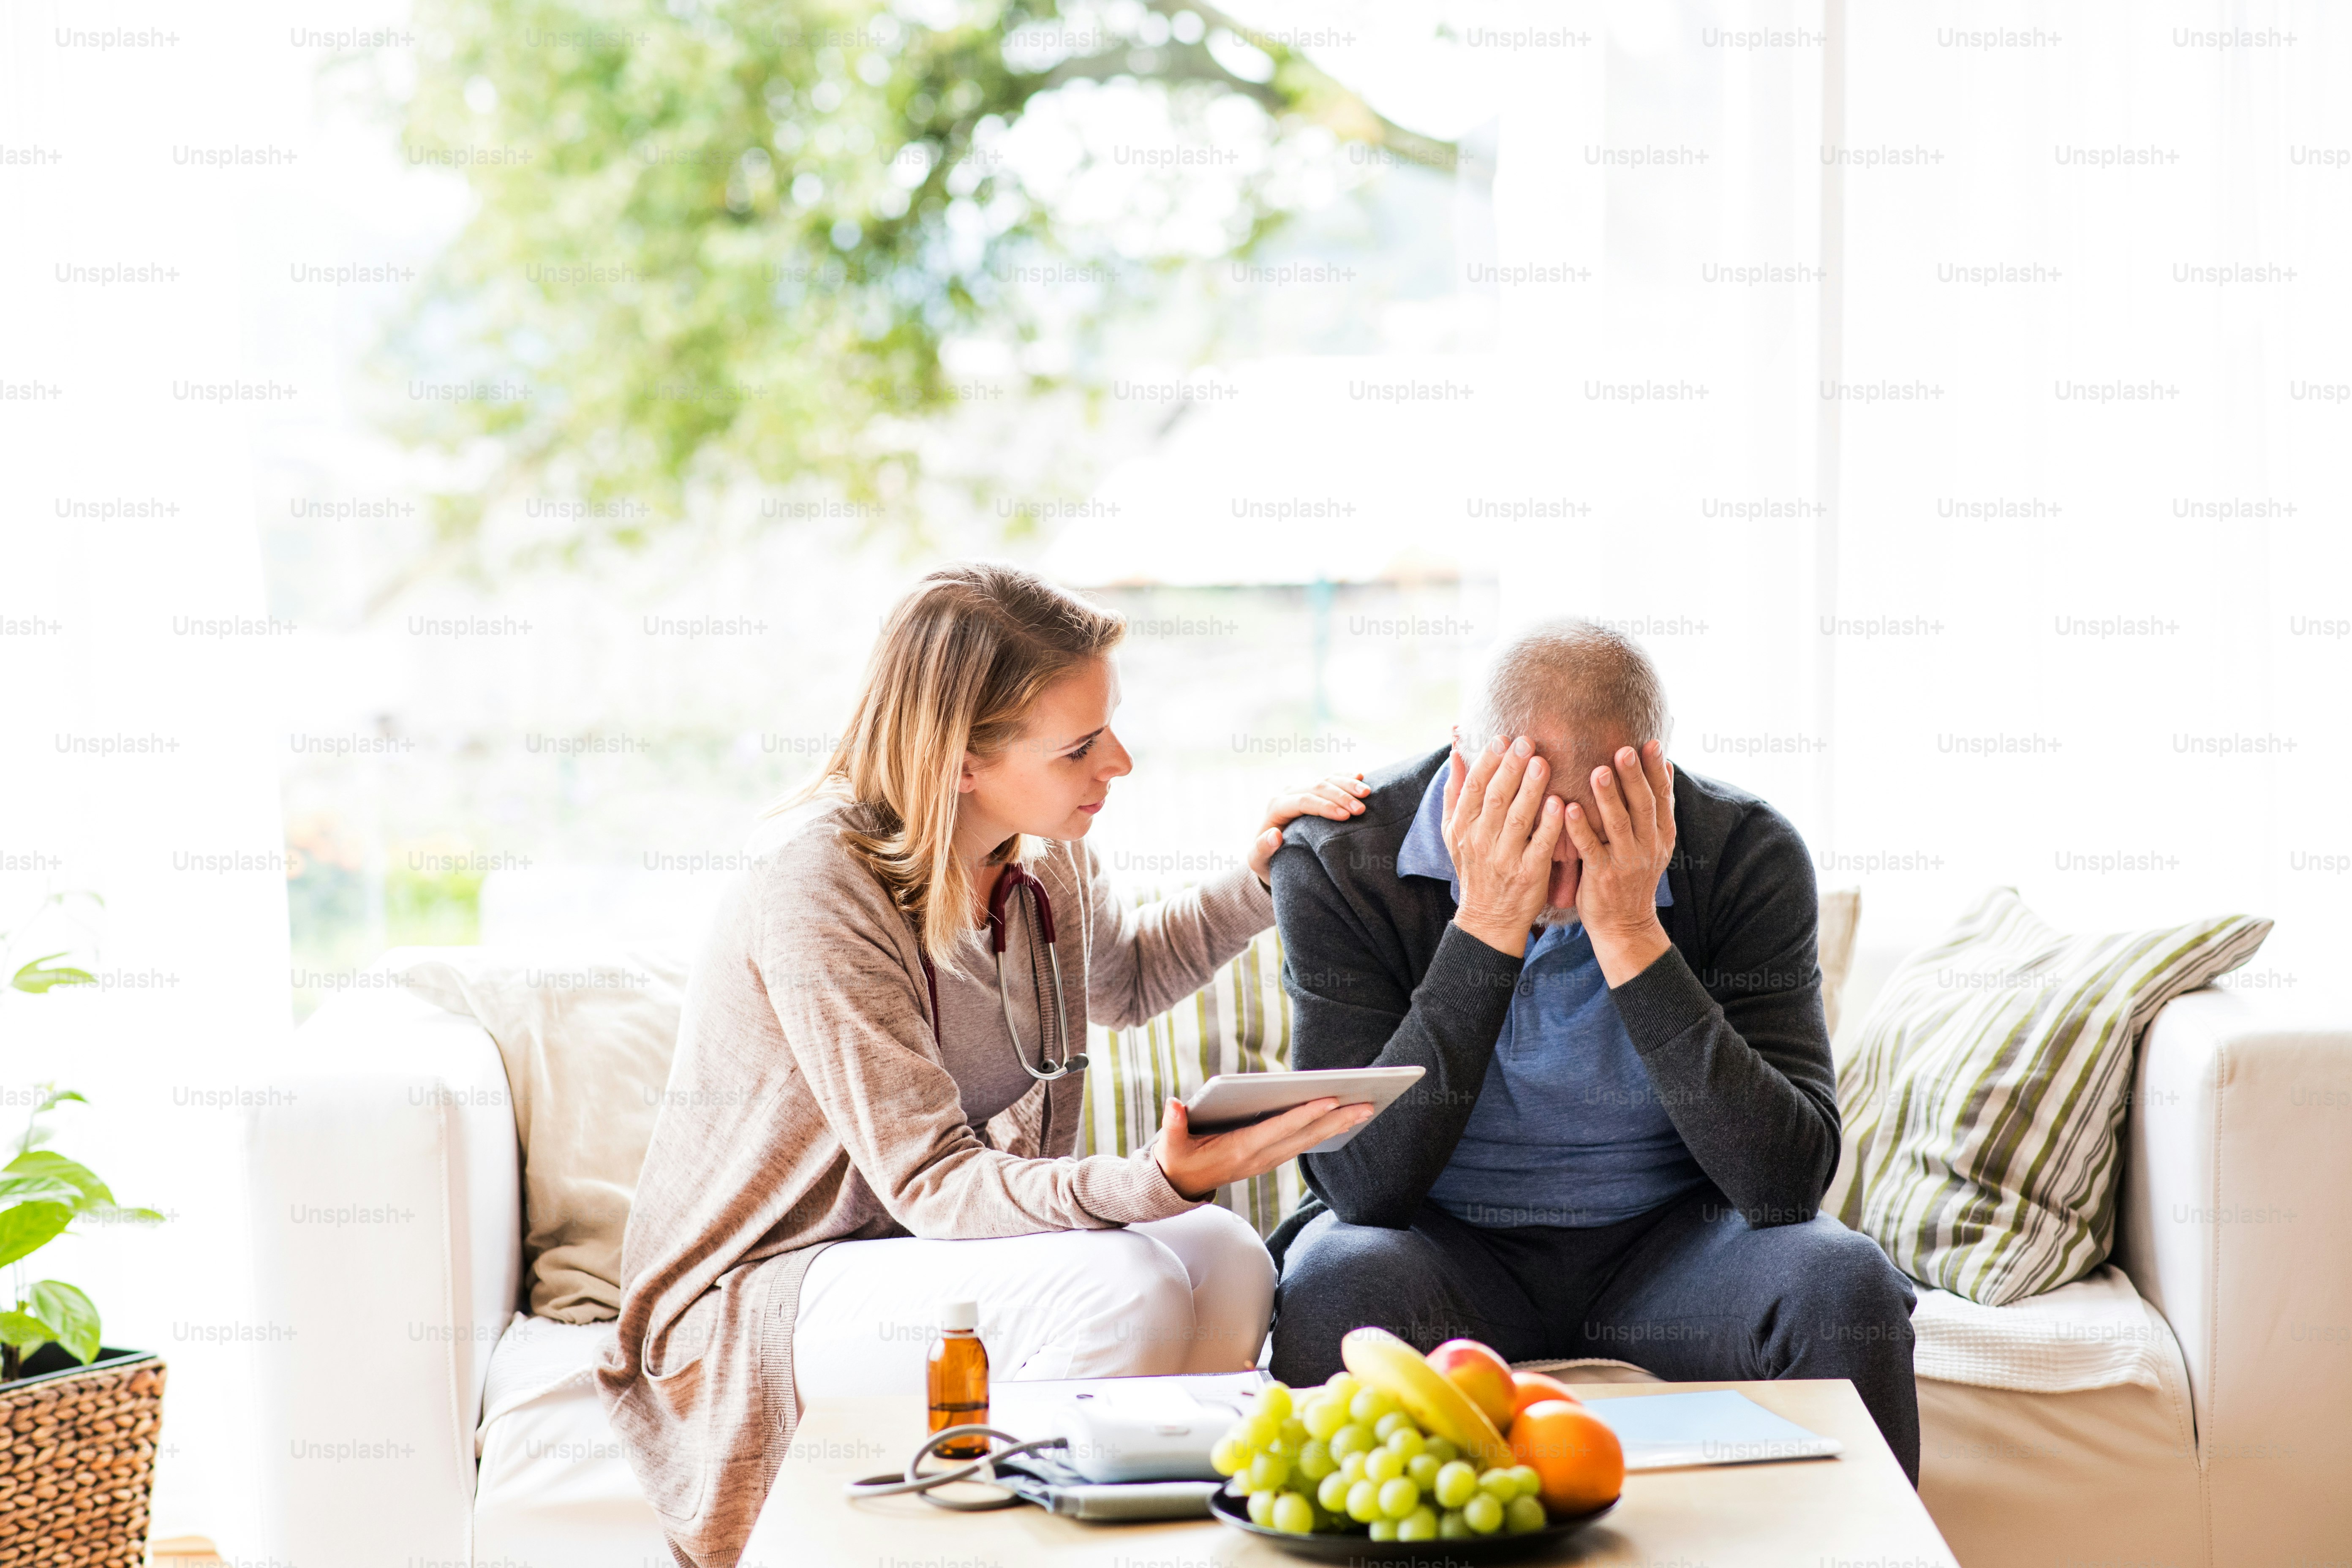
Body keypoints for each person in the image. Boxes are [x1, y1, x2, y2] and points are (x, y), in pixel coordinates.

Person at [598, 562, 1375, 1565]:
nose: (1121, 763)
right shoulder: (820, 889)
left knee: (1227, 1257)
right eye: (1081, 746)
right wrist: (1152, 1181)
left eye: (1112, 725)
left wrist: (1264, 878)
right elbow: (932, 1182)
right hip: (760, 1285)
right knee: (1118, 1288)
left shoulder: (1042, 854)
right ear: (961, 758)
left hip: (898, 1254)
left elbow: (1126, 982)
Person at [1265, 618, 1922, 1481]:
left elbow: (1784, 1181)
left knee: (1846, 1280)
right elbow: (1363, 1185)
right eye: (1535, 844)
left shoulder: (1748, 851)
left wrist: (1633, 931)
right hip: (1441, 1247)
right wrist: (1488, 923)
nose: (1560, 888)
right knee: (1336, 1276)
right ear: (1466, 773)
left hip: (1676, 1251)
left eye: (1592, 851)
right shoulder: (1341, 858)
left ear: (1656, 785)